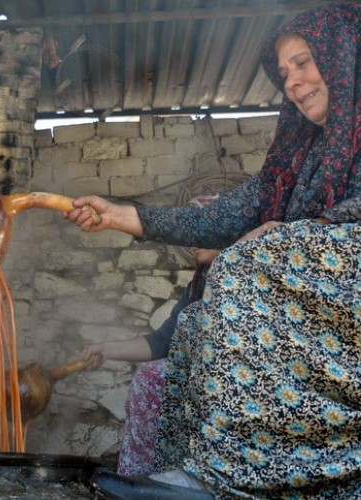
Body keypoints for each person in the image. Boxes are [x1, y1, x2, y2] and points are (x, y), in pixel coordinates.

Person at [70, 3, 361, 497]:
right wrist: (120, 215)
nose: (293, 81)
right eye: (284, 72)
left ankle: (227, 476)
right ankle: (194, 466)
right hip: (318, 288)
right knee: (193, 320)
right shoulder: (298, 153)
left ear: (343, 55)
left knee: (248, 259)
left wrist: (284, 232)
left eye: (304, 62)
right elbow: (226, 215)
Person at [82, 245, 219, 476]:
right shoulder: (198, 285)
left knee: (153, 376)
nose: (195, 242)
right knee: (150, 374)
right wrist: (106, 349)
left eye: (207, 229)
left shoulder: (248, 282)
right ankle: (141, 482)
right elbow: (162, 342)